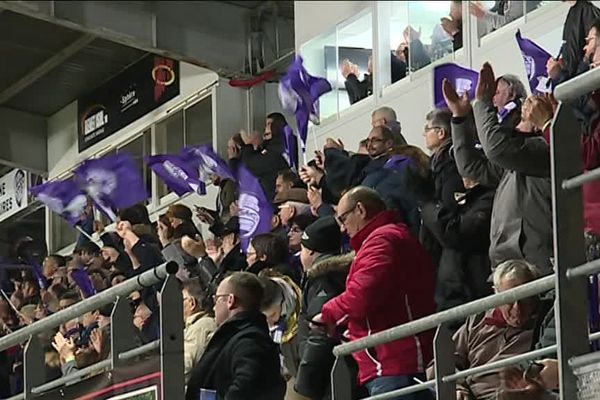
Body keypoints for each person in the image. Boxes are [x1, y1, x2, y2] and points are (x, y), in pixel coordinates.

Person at [313, 187, 435, 399]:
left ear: (360, 209)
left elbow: (361, 297)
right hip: (397, 362)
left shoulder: (381, 241)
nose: (343, 229)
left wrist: (328, 314)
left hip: (393, 364)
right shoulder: (393, 236)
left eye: (343, 219)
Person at [443, 62, 553, 274]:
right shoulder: (514, 162)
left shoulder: (544, 149)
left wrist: (483, 103)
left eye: (524, 117)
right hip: (508, 264)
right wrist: (459, 119)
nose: (517, 123)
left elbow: (496, 148)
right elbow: (470, 167)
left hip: (535, 264)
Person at [427, 260, 542, 400]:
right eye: (509, 300)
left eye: (525, 300)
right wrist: (457, 388)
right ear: (496, 294)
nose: (517, 309)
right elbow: (440, 364)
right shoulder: (478, 320)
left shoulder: (543, 324)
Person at [185, 272, 286, 400]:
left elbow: (247, 388)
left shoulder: (251, 341)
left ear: (230, 300)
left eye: (217, 299)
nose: (214, 307)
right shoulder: (236, 335)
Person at [295, 216, 352, 400]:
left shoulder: (323, 281)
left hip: (332, 378)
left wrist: (305, 388)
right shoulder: (333, 276)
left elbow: (319, 335)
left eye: (301, 250)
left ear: (311, 251)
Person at [421, 175, 495, 314]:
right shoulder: (466, 198)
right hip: (451, 294)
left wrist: (428, 204)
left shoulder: (489, 198)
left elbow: (455, 233)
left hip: (474, 295)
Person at [259, 271, 304, 399]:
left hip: (300, 378)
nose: (270, 322)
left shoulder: (303, 314)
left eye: (272, 315)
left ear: (282, 302)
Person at [182, 279, 217, 383]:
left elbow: (185, 367)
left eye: (182, 300)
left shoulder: (201, 326)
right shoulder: (200, 324)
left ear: (192, 303)